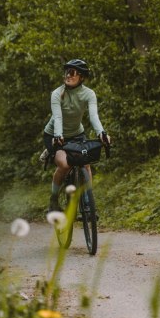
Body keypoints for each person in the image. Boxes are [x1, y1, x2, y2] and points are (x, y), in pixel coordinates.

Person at [43, 59, 111, 212]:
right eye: (67, 72)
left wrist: (101, 133)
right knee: (64, 165)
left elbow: (93, 116)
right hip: (53, 134)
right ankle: (54, 199)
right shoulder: (57, 94)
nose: (68, 75)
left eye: (72, 72)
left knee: (85, 163)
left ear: (81, 77)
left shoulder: (89, 94)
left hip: (77, 134)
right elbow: (58, 117)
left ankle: (87, 202)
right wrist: (58, 135)